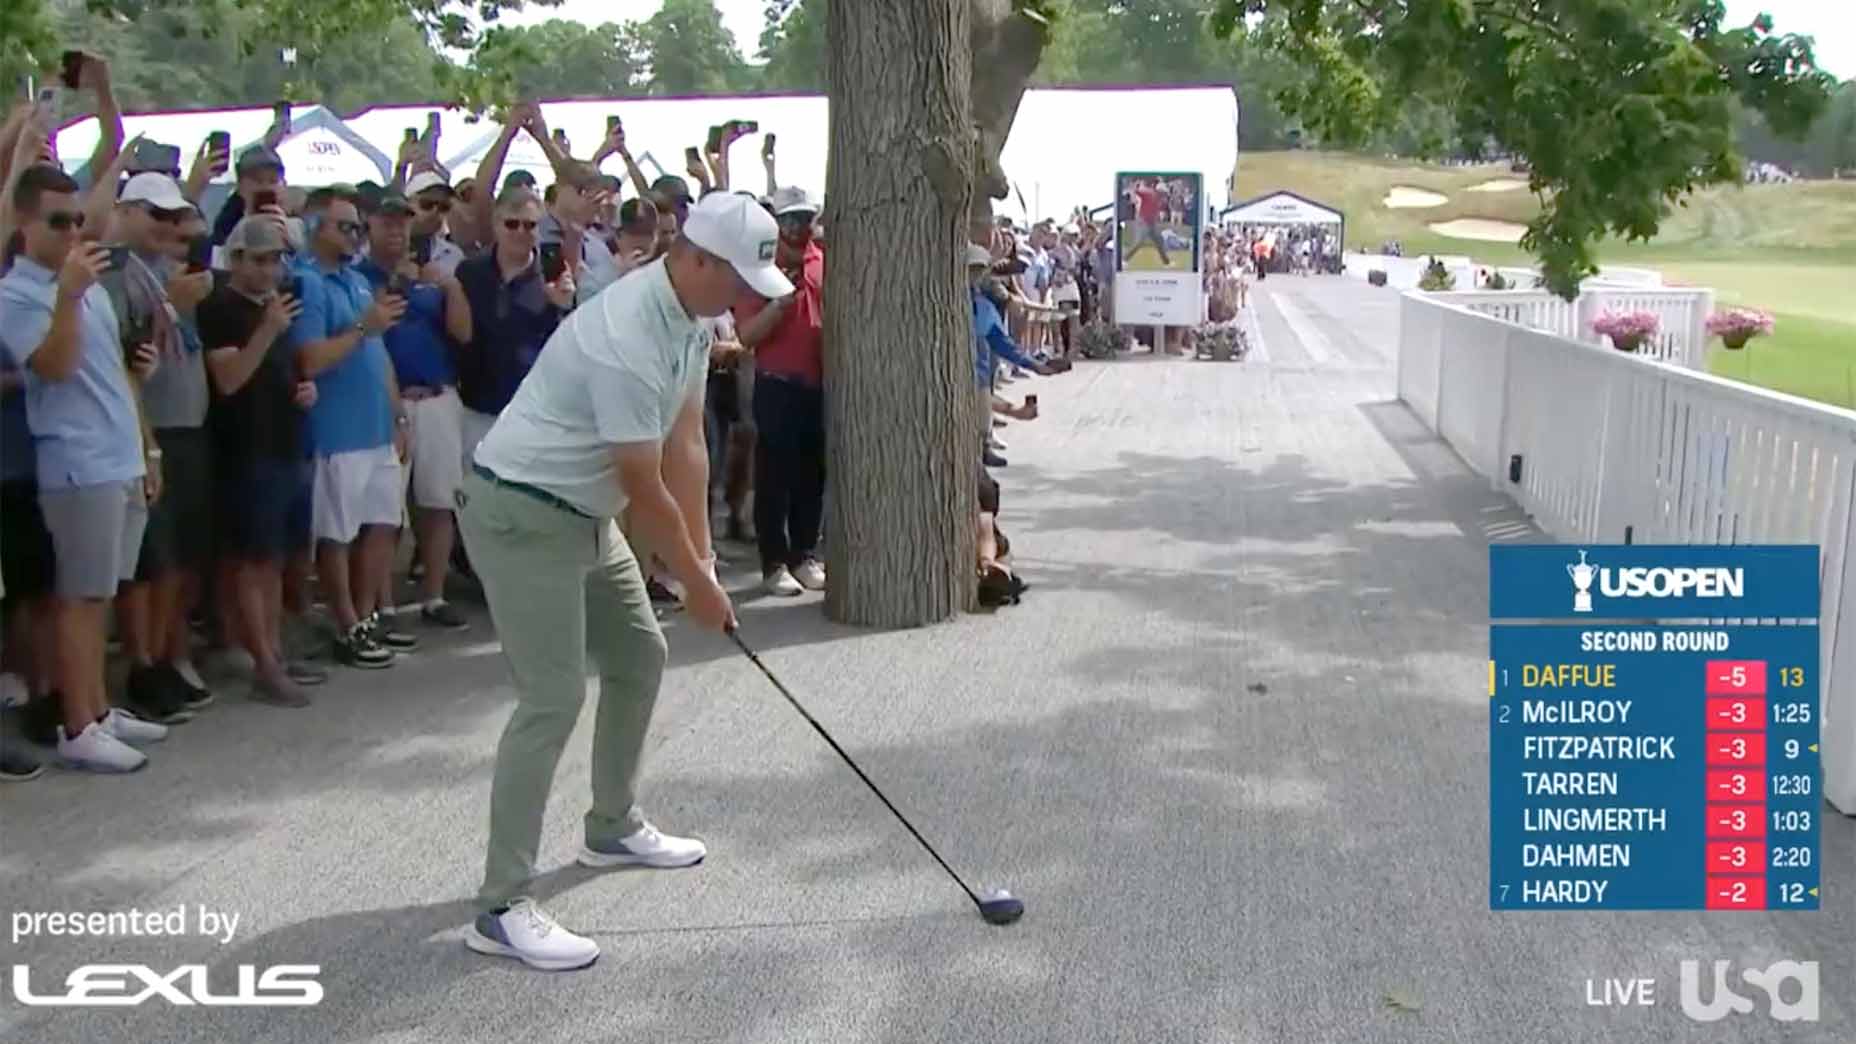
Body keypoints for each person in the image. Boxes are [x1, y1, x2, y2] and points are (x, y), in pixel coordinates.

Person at [458, 192, 790, 972]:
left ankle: (611, 826)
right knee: (552, 698)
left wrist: (702, 566)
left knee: (641, 655)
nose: (745, 296)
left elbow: (685, 443)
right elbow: (643, 484)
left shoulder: (692, 317)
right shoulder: (626, 331)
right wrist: (695, 584)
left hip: (584, 512)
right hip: (522, 510)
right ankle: (500, 905)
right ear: (696, 257)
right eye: (737, 278)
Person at [0, 164, 168, 772]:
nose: (73, 230)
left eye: (77, 219)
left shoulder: (88, 283)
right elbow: (54, 366)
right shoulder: (17, 295)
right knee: (78, 596)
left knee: (102, 594)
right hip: (76, 462)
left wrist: (147, 447)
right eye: (58, 220)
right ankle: (78, 723)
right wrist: (67, 294)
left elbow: (118, 374)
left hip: (117, 454)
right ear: (23, 224)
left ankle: (96, 708)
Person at [733, 186, 826, 597]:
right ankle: (774, 564)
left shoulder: (822, 261)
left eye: (804, 219)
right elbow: (747, 335)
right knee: (775, 479)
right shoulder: (759, 268)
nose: (798, 228)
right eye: (790, 219)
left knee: (813, 475)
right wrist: (778, 305)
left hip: (819, 385)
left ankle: (805, 555)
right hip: (776, 386)